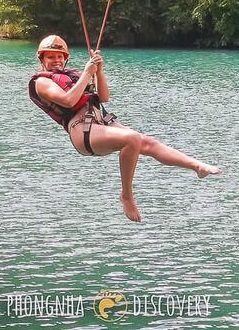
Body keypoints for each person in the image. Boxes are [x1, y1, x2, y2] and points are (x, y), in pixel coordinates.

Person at [29, 35, 221, 222]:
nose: (56, 60)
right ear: (42, 59)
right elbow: (69, 100)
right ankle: (127, 196)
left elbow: (103, 98)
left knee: (146, 142)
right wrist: (87, 73)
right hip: (82, 131)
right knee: (132, 139)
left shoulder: (73, 76)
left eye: (59, 56)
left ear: (65, 58)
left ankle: (197, 166)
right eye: (50, 57)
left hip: (100, 121)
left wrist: (99, 72)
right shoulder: (42, 82)